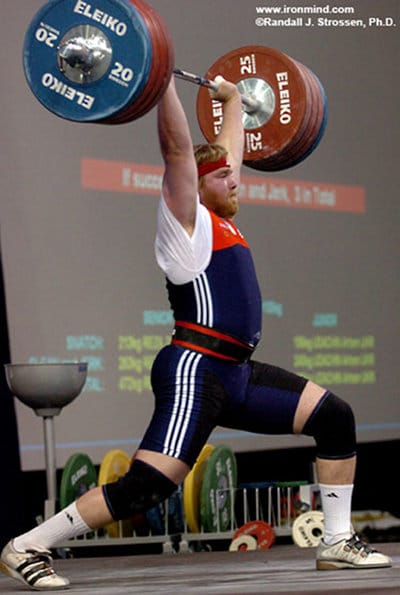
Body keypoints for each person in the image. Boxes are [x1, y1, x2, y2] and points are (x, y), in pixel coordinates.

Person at [0, 75, 392, 591]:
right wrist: (163, 83)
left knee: (335, 417)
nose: (235, 181)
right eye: (224, 177)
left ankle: (337, 542)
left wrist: (231, 103)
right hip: (195, 371)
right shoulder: (186, 225)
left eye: (234, 175)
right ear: (198, 185)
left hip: (237, 373)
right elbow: (179, 151)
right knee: (146, 488)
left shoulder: (223, 219)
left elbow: (223, 153)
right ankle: (26, 545)